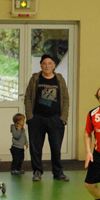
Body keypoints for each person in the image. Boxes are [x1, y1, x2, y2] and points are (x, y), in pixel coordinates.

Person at [24, 54, 70, 182]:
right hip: (37, 119)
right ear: (41, 65)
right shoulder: (35, 79)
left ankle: (58, 173)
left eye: (50, 63)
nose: (47, 66)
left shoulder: (59, 79)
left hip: (55, 119)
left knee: (56, 148)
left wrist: (63, 117)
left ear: (54, 66)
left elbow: (66, 99)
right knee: (36, 148)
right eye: (44, 63)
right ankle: (37, 171)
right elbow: (28, 98)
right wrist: (30, 117)